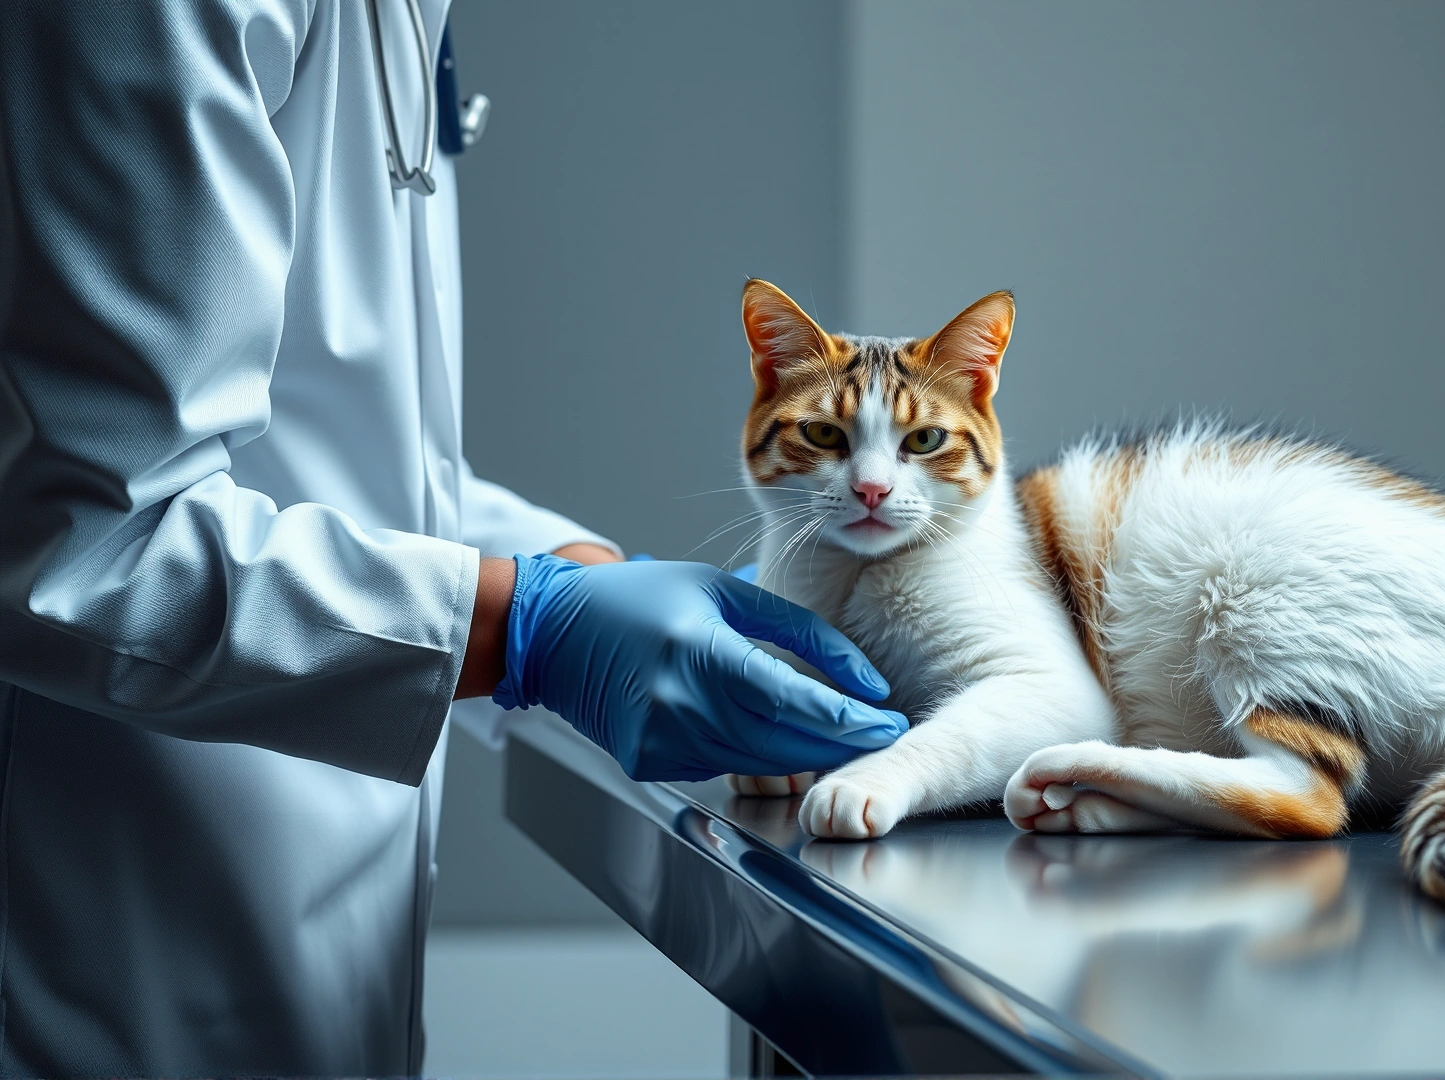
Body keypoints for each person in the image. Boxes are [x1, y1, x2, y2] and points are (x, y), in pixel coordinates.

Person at [0, 2, 905, 1075]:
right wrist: (531, 627)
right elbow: (86, 536)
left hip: (333, 960)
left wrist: (587, 579)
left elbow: (362, 469)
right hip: (104, 962)